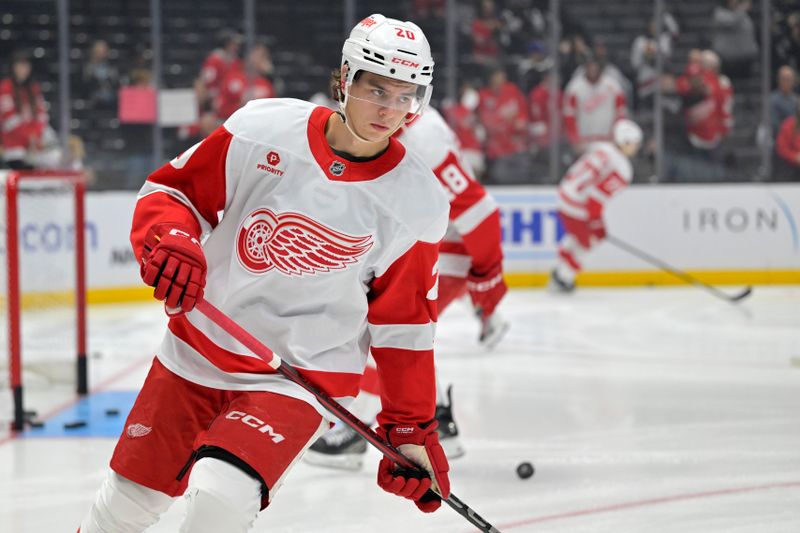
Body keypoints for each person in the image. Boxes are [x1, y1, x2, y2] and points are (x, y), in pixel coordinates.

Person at [78, 14, 452, 532]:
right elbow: (173, 194)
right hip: (197, 349)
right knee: (123, 507)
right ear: (346, 79)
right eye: (377, 90)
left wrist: (410, 426)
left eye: (405, 96)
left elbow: (405, 323)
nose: (390, 110)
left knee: (220, 499)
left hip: (300, 377)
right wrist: (174, 240)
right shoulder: (263, 128)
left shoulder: (418, 201)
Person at [304, 105, 509, 470]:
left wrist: (487, 278)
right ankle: (438, 420)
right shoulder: (401, 125)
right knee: (402, 333)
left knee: (382, 331)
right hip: (423, 239)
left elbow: (480, 211)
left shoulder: (423, 138)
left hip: (445, 247)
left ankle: (354, 433)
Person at [550, 119, 642, 292]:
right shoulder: (622, 168)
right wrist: (597, 225)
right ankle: (563, 277)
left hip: (564, 196)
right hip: (576, 206)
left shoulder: (600, 147)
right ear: (625, 142)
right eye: (634, 143)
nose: (636, 147)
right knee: (589, 242)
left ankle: (562, 267)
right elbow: (595, 200)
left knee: (579, 238)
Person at [0, 50, 51, 169]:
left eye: (26, 66)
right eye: (20, 66)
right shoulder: (5, 88)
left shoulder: (34, 88)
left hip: (34, 144)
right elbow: (9, 120)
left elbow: (42, 116)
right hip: (14, 146)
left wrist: (35, 136)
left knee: (54, 159)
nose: (24, 69)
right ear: (13, 67)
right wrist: (29, 137)